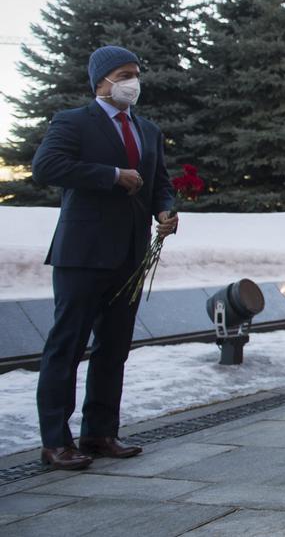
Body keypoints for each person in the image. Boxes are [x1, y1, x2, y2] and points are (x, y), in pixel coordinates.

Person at [30, 46, 178, 470]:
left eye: (136, 73)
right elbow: (47, 167)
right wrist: (112, 176)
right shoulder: (73, 121)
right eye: (123, 74)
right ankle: (55, 441)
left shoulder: (148, 130)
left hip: (130, 255)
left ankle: (100, 432)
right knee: (67, 345)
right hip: (83, 253)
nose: (133, 81)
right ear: (102, 81)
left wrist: (165, 210)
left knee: (114, 348)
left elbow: (159, 183)